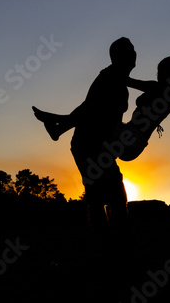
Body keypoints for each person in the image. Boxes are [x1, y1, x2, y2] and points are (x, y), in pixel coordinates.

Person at [34, 44, 170, 160]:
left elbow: (126, 80)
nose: (158, 73)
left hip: (129, 140)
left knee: (98, 108)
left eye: (160, 70)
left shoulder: (159, 88)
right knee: (98, 111)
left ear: (166, 73)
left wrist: (108, 73)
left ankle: (61, 122)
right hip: (131, 141)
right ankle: (59, 127)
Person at [34, 37, 138, 237]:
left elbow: (89, 109)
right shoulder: (110, 76)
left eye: (133, 50)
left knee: (106, 195)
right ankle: (114, 247)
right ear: (117, 57)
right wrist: (59, 120)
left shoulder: (116, 81)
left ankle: (114, 245)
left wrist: (60, 123)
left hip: (97, 144)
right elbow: (88, 111)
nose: (134, 54)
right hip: (88, 144)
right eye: (129, 50)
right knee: (106, 196)